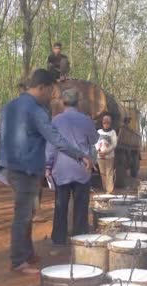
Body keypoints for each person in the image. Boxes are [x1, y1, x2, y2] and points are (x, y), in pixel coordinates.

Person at [0, 69, 92, 275]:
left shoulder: (9, 107)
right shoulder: (35, 110)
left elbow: (1, 138)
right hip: (27, 168)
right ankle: (18, 261)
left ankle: (27, 252)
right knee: (22, 214)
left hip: (13, 167)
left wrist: (1, 165)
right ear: (41, 87)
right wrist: (80, 155)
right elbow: (55, 139)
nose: (52, 96)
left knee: (28, 212)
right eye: (50, 91)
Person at [45, 88, 98, 245]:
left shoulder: (55, 121)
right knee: (81, 206)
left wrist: (48, 166)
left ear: (62, 102)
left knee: (60, 206)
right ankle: (79, 240)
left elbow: (51, 146)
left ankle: (58, 240)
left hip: (61, 170)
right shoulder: (86, 120)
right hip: (82, 169)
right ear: (78, 102)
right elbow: (94, 139)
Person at [96, 113, 118, 194]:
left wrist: (106, 152)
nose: (106, 124)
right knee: (102, 173)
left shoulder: (113, 132)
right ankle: (105, 188)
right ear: (102, 123)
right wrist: (99, 150)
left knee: (109, 173)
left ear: (110, 123)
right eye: (104, 122)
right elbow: (96, 142)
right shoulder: (99, 132)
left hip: (109, 156)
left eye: (107, 122)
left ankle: (109, 190)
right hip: (100, 156)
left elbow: (114, 144)